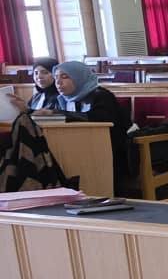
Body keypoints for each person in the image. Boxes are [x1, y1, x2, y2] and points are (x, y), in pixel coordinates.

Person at [41, 61, 130, 194]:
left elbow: (99, 118)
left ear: (79, 77)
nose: (58, 82)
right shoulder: (62, 100)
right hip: (77, 149)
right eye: (56, 77)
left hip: (111, 153)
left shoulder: (101, 96)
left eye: (65, 77)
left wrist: (60, 114)